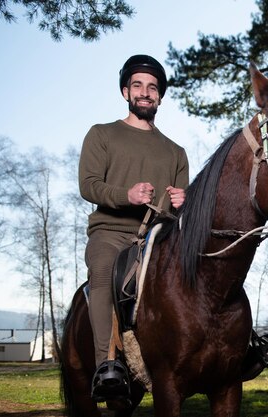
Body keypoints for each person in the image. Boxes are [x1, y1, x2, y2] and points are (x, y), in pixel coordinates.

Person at [78, 54, 189, 403]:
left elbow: (176, 215)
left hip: (159, 238)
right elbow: (88, 185)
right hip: (111, 233)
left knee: (204, 266)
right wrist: (125, 195)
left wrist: (182, 203)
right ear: (126, 92)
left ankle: (237, 348)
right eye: (138, 85)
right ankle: (106, 367)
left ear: (160, 97)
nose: (145, 92)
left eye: (153, 87)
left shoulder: (176, 152)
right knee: (102, 271)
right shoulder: (102, 134)